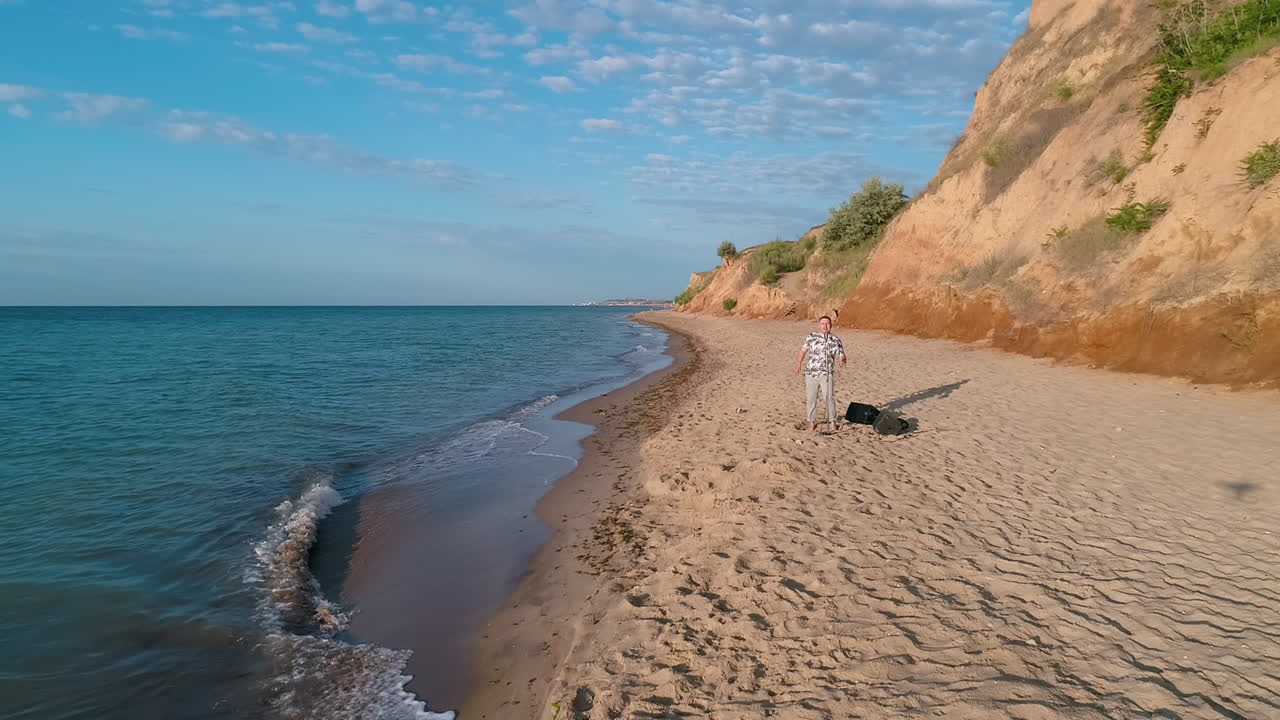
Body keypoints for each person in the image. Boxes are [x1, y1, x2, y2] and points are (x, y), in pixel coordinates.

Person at [794, 315, 846, 432]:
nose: (825, 326)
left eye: (827, 323)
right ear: (819, 325)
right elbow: (803, 351)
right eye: (822, 324)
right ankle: (811, 422)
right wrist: (799, 364)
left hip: (826, 374)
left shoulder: (835, 340)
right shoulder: (812, 337)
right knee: (811, 398)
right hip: (811, 373)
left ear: (831, 325)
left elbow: (841, 355)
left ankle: (832, 422)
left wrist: (842, 360)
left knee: (829, 398)